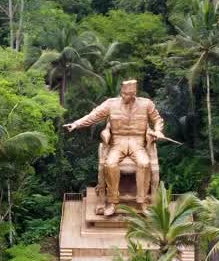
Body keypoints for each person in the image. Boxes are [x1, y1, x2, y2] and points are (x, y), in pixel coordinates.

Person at [64, 80, 166, 217]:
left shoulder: (146, 104)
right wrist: (76, 124)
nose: (124, 96)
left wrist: (158, 131)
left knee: (144, 163)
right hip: (118, 142)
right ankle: (113, 202)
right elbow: (93, 116)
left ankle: (142, 202)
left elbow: (158, 120)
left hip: (137, 143)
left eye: (127, 94)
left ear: (134, 93)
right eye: (123, 93)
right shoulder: (111, 104)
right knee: (110, 164)